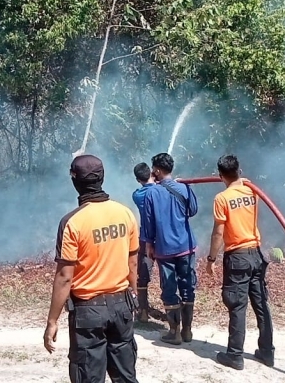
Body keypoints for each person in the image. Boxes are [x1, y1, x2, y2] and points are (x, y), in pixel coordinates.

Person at [44, 154, 140, 383]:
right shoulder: (125, 213)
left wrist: (52, 321)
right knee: (126, 377)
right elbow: (133, 263)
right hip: (122, 306)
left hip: (88, 312)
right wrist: (133, 296)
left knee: (88, 377)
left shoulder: (72, 222)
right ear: (102, 178)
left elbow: (65, 277)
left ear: (74, 181)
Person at [205, 154, 274, 370]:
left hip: (237, 258)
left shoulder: (222, 198)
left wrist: (211, 258)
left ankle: (234, 355)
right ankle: (266, 352)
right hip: (256, 254)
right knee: (261, 304)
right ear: (239, 171)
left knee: (237, 305)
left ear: (220, 175)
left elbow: (218, 232)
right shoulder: (252, 191)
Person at [142, 152, 198, 345]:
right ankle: (187, 331)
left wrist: (149, 244)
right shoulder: (184, 188)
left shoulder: (152, 193)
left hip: (165, 248)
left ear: (157, 170)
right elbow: (193, 211)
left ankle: (174, 332)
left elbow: (147, 223)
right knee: (187, 284)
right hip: (186, 245)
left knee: (169, 287)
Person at [131, 162, 155, 322]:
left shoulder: (137, 194)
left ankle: (143, 311)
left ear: (138, 179)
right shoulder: (161, 190)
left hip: (146, 239)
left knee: (143, 275)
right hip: (164, 239)